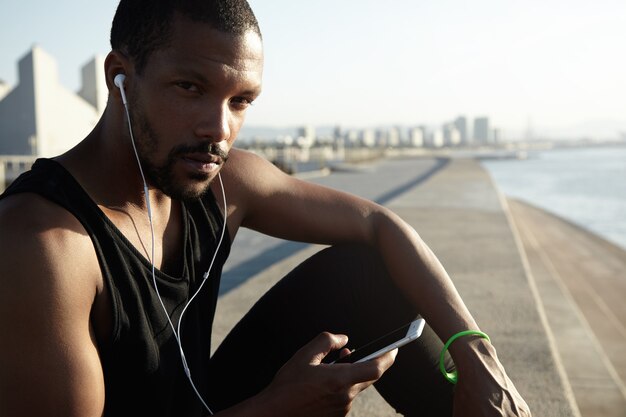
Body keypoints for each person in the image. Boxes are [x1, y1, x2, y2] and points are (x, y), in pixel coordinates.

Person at [0, 1, 532, 416]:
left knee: (366, 274)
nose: (219, 129)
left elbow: (379, 223)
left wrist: (477, 355)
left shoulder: (224, 183)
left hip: (211, 402)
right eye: (190, 87)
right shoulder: (44, 244)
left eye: (241, 101)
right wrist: (277, 409)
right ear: (121, 75)